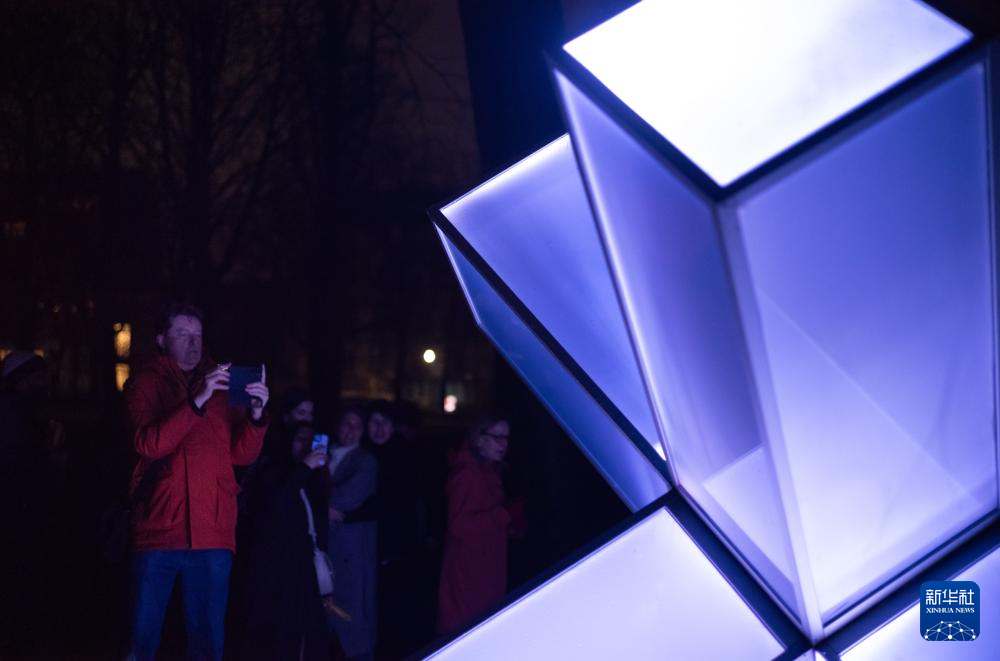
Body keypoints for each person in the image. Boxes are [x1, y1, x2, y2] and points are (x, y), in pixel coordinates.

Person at [124, 304, 269, 661]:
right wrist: (196, 400)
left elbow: (241, 456)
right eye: (182, 334)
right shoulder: (145, 383)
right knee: (142, 639)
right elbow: (150, 444)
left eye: (198, 335)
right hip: (160, 526)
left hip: (213, 530)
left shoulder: (224, 381)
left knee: (207, 640)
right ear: (162, 340)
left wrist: (256, 415)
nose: (193, 343)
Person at [237, 423, 335, 660]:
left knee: (307, 635)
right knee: (277, 636)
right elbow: (275, 505)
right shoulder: (273, 472)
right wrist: (304, 467)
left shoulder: (313, 479)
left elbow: (318, 527)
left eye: (311, 442)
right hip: (275, 571)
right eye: (301, 440)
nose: (306, 447)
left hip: (304, 569)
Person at [436, 417, 514, 635]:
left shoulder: (489, 471)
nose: (503, 444)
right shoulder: (468, 473)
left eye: (506, 437)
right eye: (497, 437)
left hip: (484, 570)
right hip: (469, 574)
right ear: (479, 439)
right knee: (469, 630)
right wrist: (503, 515)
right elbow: (459, 525)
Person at [327, 407, 377, 660]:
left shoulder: (365, 461)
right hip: (327, 546)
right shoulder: (324, 452)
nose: (352, 430)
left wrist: (318, 503)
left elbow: (347, 497)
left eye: (358, 425)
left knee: (352, 611)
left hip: (351, 549)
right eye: (347, 424)